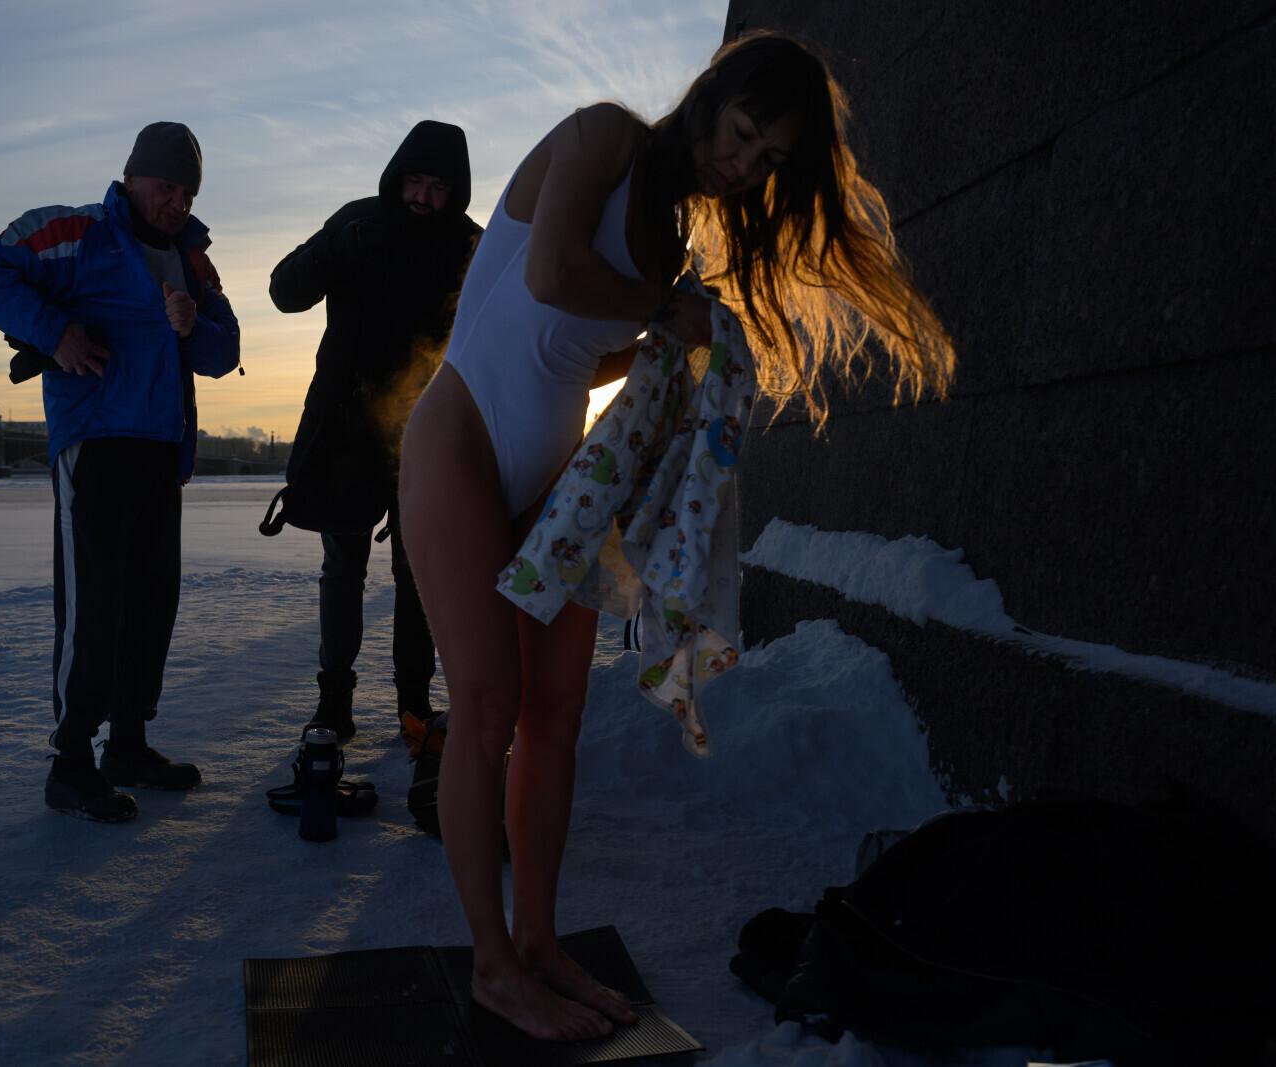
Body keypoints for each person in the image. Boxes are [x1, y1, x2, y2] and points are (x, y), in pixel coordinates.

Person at [399, 31, 956, 1040]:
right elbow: (553, 274)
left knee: (555, 714)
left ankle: (538, 941)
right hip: (460, 440)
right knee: (485, 707)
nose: (742, 165)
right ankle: (491, 965)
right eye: (743, 132)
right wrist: (666, 310)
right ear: (711, 94)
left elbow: (593, 346)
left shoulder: (668, 240)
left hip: (553, 472)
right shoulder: (602, 137)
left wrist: (681, 349)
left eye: (767, 160)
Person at [0, 122, 241, 822]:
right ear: (132, 177)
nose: (177, 202)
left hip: (162, 451)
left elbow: (225, 351)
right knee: (94, 608)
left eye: (188, 193)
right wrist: (55, 333)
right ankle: (72, 763)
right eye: (166, 187)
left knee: (151, 605)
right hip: (95, 443)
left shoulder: (194, 262)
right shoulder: (75, 233)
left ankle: (129, 745)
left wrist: (192, 328)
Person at [268, 120, 480, 742]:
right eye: (415, 182)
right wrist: (335, 250)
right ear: (397, 177)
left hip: (431, 437)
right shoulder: (357, 221)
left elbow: (500, 340)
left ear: (456, 191)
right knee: (343, 571)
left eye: (438, 187)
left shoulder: (472, 247)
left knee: (420, 578)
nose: (423, 197)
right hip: (346, 433)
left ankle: (415, 706)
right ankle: (333, 702)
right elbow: (283, 292)